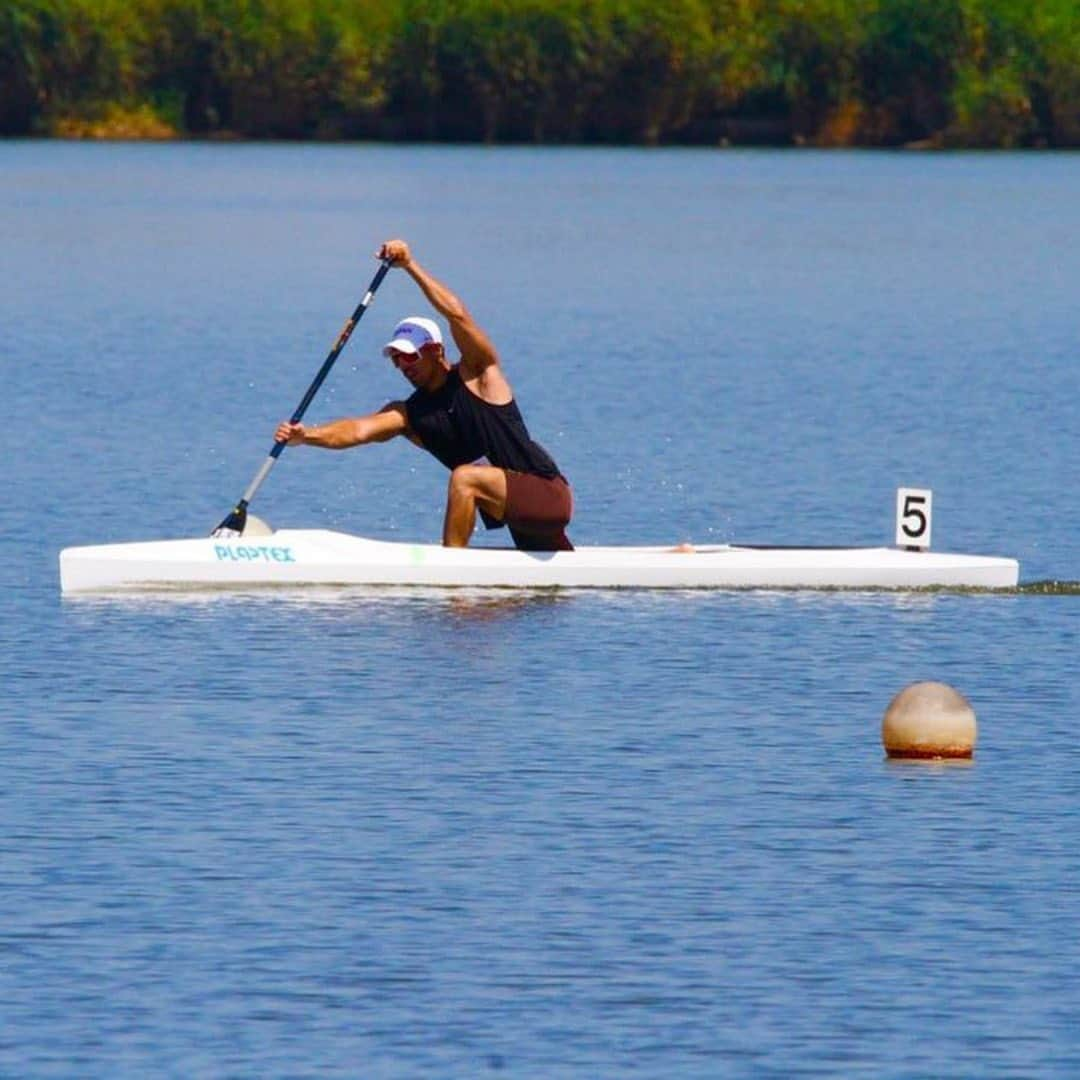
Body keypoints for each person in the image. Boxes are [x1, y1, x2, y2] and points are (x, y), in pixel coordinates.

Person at [275, 239, 573, 551]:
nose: (403, 365)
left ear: (437, 351)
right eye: (396, 359)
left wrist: (410, 267)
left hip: (547, 494)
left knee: (465, 478)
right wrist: (306, 436)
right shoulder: (408, 415)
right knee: (534, 593)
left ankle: (451, 580)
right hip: (515, 511)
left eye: (411, 356)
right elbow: (357, 431)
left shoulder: (479, 374)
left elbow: (458, 316)